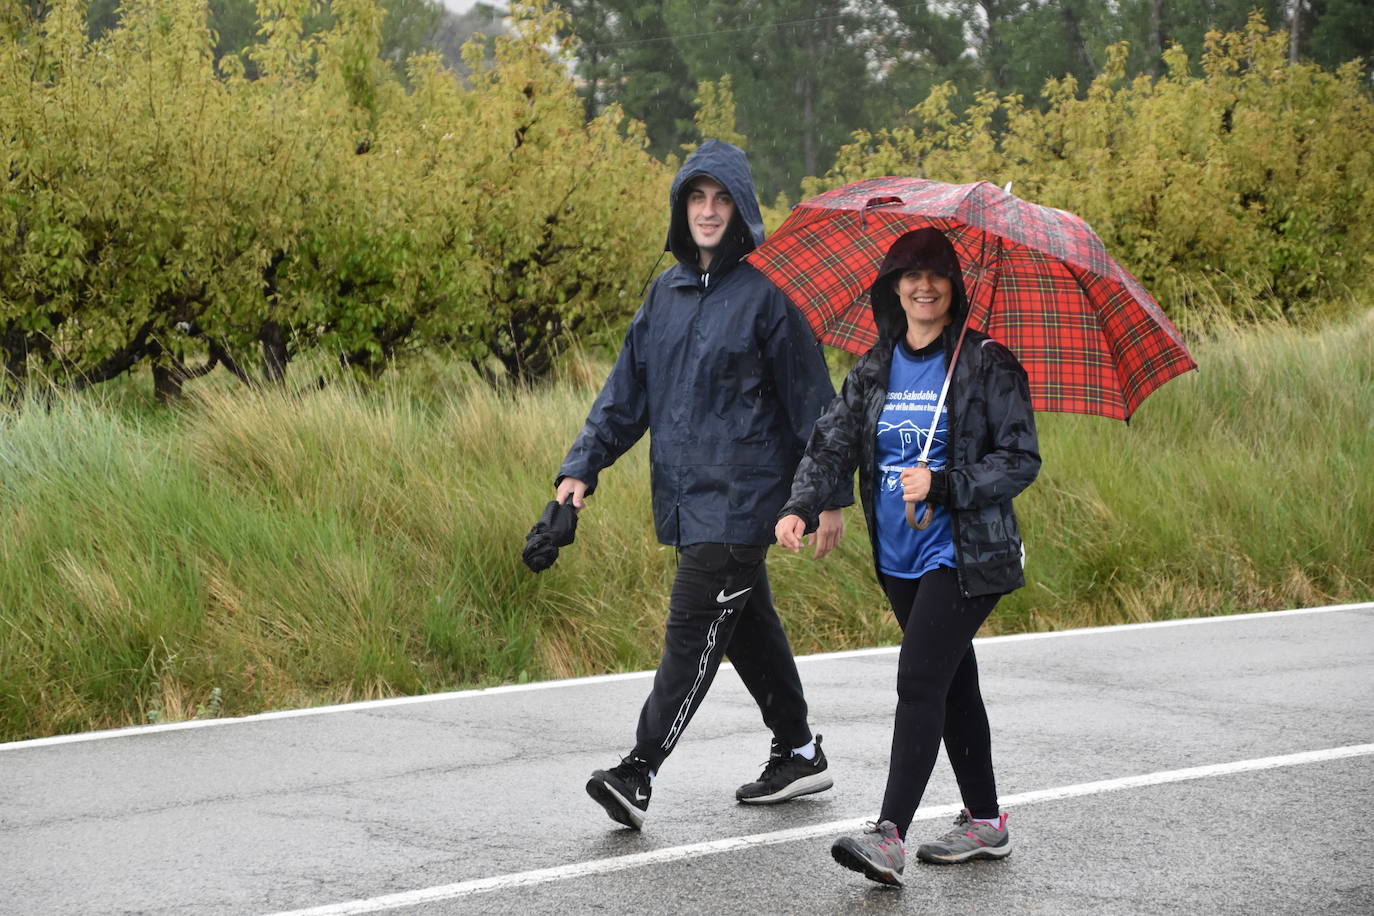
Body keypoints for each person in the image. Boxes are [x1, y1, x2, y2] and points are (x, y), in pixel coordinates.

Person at [556, 140, 852, 831]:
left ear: (741, 208)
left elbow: (814, 400)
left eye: (722, 199)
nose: (709, 211)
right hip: (689, 499)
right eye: (698, 197)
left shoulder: (772, 293)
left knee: (692, 630)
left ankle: (639, 769)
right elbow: (626, 395)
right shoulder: (666, 294)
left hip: (747, 500)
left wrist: (831, 493)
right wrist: (581, 465)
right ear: (682, 207)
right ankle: (802, 751)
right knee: (746, 624)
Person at [775, 227, 1040, 886]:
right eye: (910, 274)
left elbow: (1021, 458)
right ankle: (986, 821)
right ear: (893, 286)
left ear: (954, 286)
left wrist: (946, 485)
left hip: (966, 556)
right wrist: (800, 506)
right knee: (953, 684)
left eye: (936, 274)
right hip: (899, 556)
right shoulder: (875, 367)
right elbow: (831, 444)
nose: (924, 286)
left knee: (919, 680)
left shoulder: (985, 362)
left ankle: (889, 834)